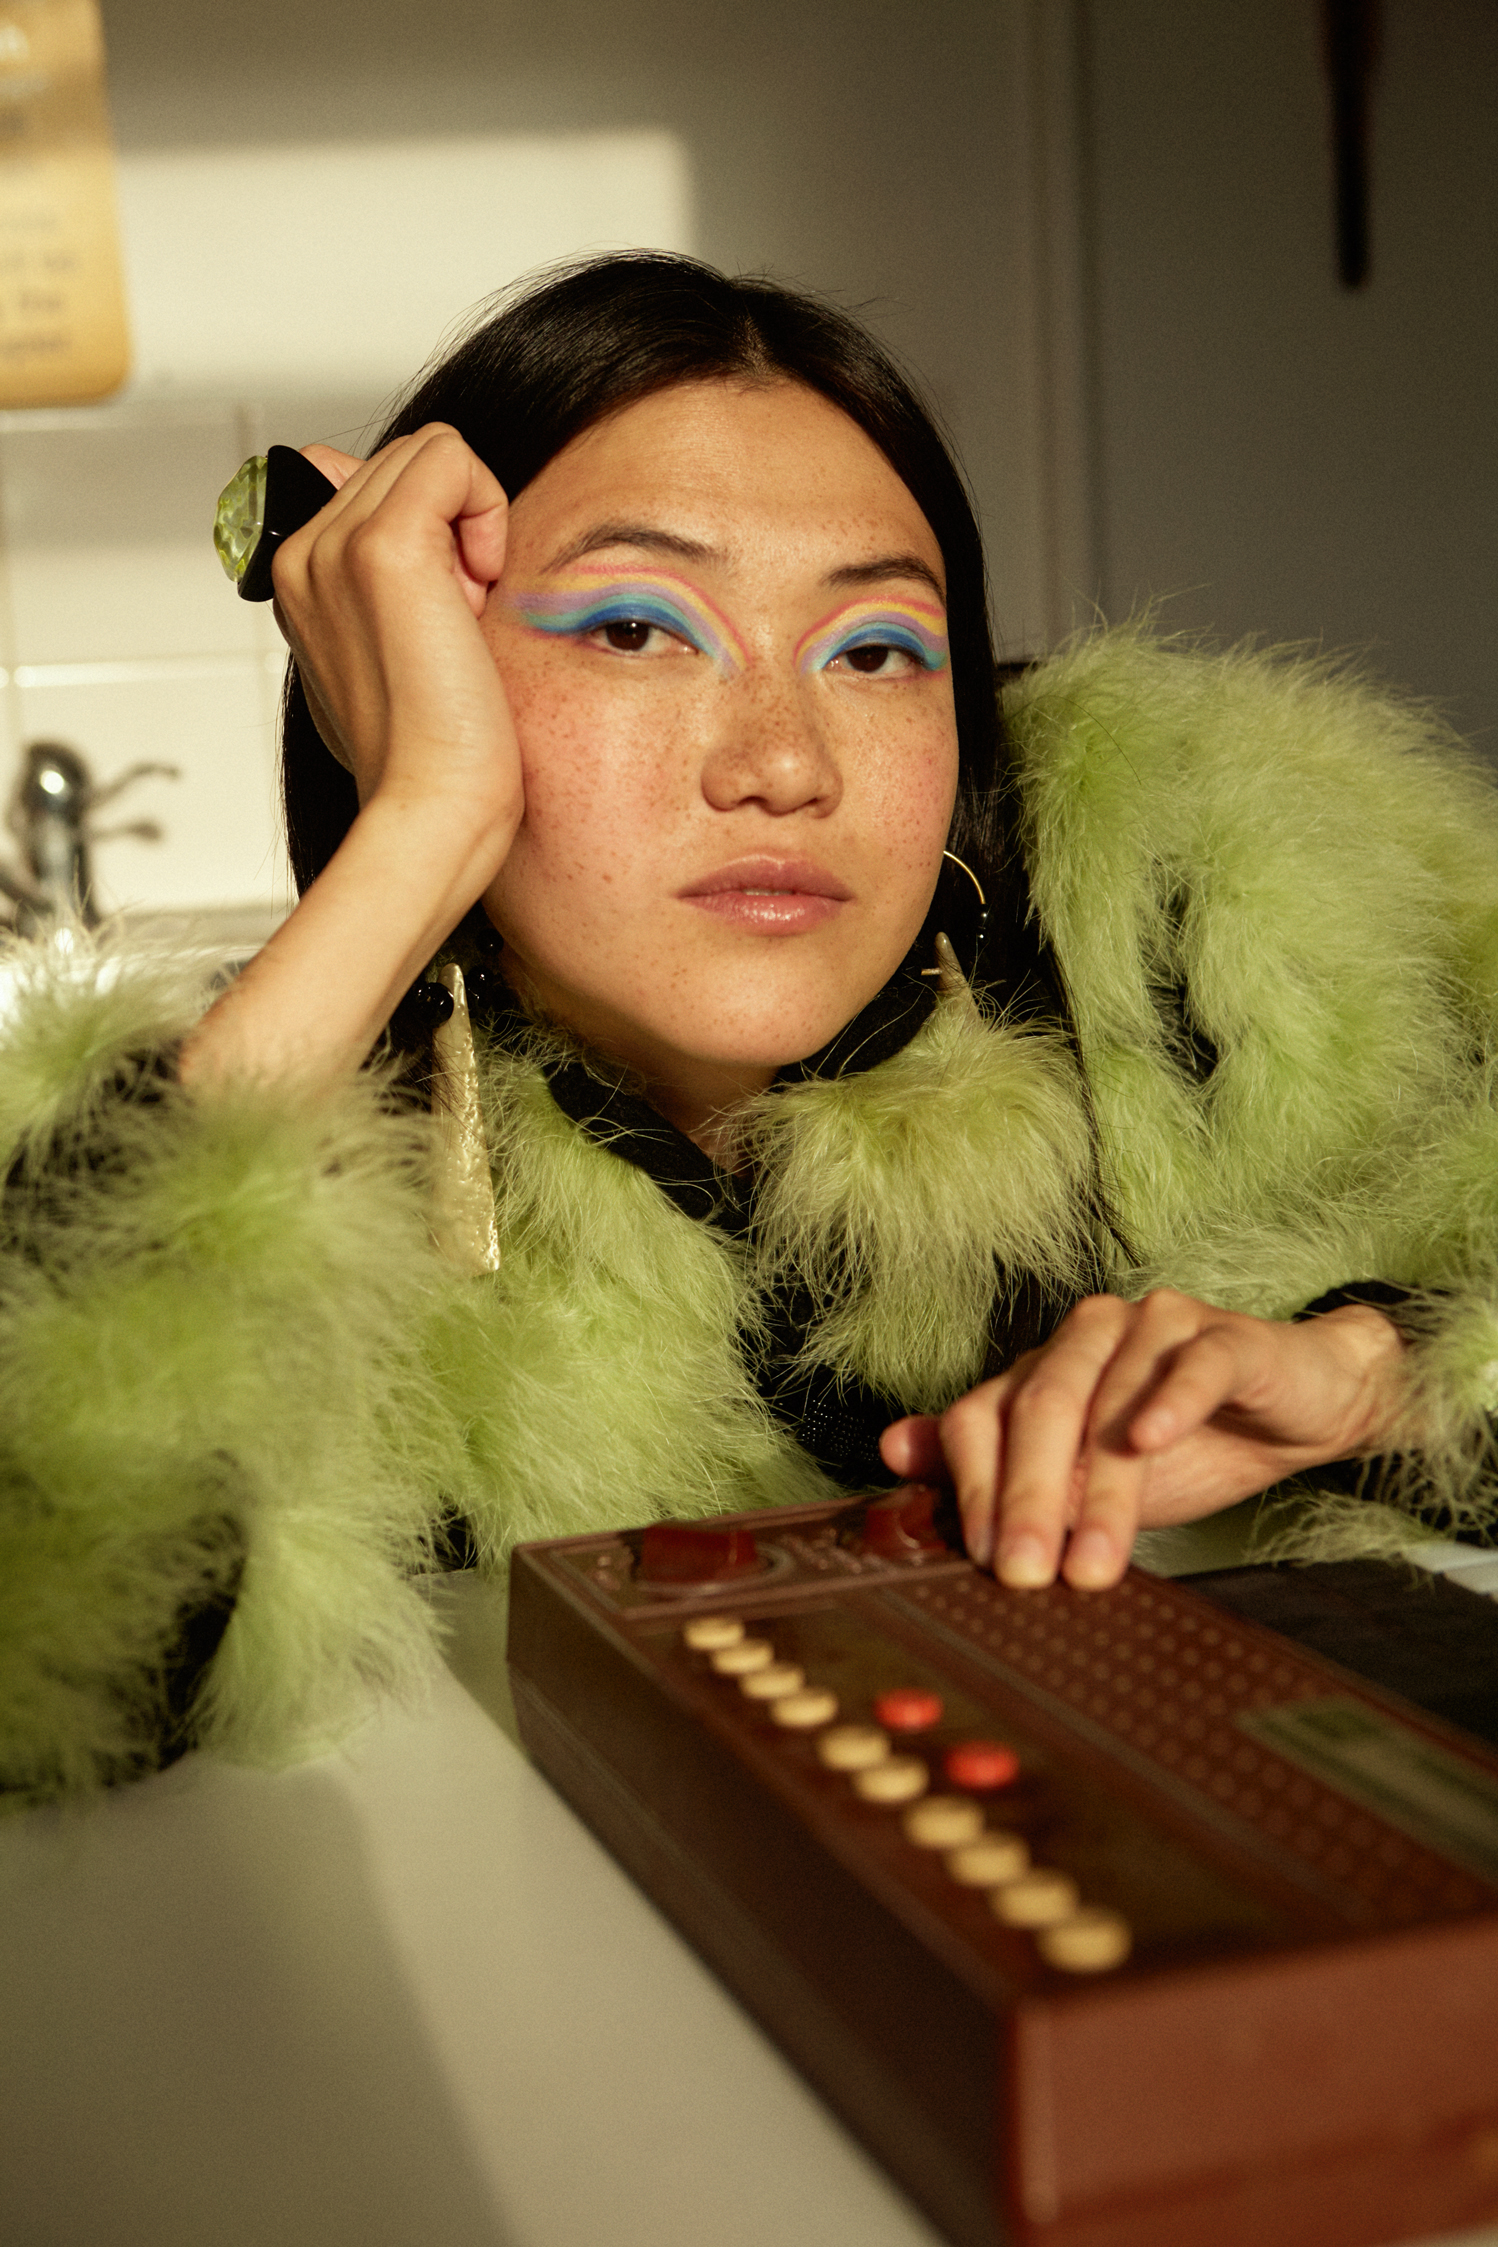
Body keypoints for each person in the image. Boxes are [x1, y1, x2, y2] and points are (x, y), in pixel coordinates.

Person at [4, 252, 1497, 1805]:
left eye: (873, 652)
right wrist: (421, 828)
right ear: (411, 663)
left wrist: (1375, 1378)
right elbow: (43, 1630)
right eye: (636, 631)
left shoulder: (1211, 939)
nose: (784, 763)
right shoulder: (343, 1176)